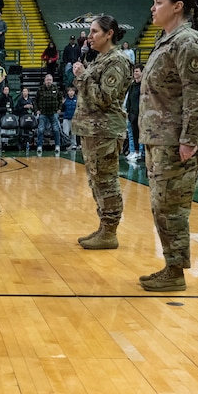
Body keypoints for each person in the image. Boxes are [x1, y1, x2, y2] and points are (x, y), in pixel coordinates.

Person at [137, 0, 198, 292]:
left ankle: (176, 270)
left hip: (176, 139)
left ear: (177, 6)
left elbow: (195, 93)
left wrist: (189, 139)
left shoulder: (188, 41)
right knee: (161, 205)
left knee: (172, 207)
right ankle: (170, 265)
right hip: (159, 137)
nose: (153, 8)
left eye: (158, 2)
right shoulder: (166, 40)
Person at [71, 14, 132, 250]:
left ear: (110, 34)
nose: (89, 36)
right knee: (96, 180)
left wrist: (82, 75)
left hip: (105, 130)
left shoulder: (117, 61)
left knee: (106, 181)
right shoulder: (100, 59)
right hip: (94, 130)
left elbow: (105, 98)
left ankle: (110, 231)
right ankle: (103, 227)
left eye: (95, 31)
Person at [34, 74, 62, 154]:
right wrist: (37, 110)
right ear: (45, 81)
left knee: (56, 129)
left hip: (53, 113)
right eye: (47, 80)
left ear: (52, 81)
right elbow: (35, 101)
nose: (49, 81)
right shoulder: (40, 89)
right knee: (41, 130)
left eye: (50, 80)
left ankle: (57, 146)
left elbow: (60, 99)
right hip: (43, 113)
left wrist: (59, 108)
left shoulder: (56, 88)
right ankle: (39, 146)